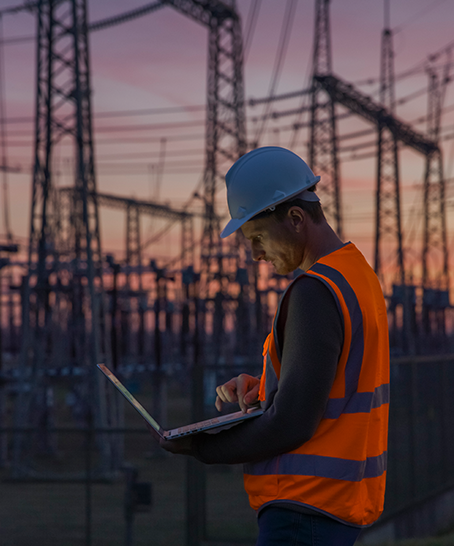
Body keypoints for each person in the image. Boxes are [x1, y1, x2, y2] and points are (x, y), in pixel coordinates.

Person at [157, 146, 390, 546]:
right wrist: (266, 387)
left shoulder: (314, 291)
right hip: (334, 506)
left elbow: (293, 422)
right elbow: (331, 385)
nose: (255, 254)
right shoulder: (358, 276)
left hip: (303, 511)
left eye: (258, 237)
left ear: (296, 218)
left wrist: (203, 446)